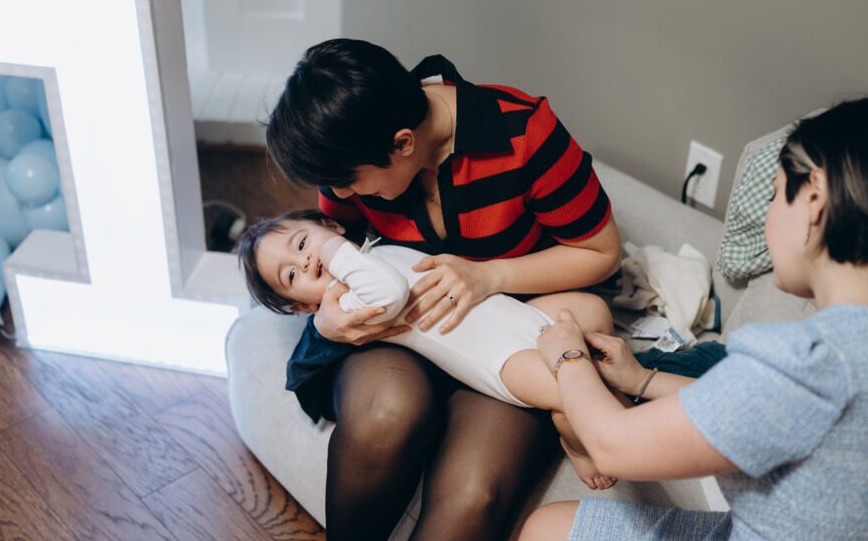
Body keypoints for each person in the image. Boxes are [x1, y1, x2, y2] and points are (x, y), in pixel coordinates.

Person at [450, 97, 868, 541]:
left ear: (814, 199)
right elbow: (765, 411)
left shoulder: (810, 361)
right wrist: (641, 377)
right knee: (550, 535)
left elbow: (611, 445)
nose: (768, 219)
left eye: (776, 195)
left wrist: (567, 356)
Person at [262, 39, 623, 541]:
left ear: (403, 144)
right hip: (403, 331)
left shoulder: (525, 134)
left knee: (473, 490)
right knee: (386, 412)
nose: (338, 192)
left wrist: (490, 276)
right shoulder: (350, 148)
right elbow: (338, 253)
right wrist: (329, 321)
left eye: (348, 180)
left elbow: (601, 252)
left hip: (499, 324)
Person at [236, 209, 625, 489]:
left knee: (593, 309)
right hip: (501, 360)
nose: (306, 261)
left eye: (302, 243)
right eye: (292, 275)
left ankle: (604, 396)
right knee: (569, 391)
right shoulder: (351, 303)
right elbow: (390, 291)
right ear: (304, 307)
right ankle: (578, 445)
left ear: (331, 224)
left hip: (518, 315)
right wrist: (332, 251)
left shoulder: (375, 252)